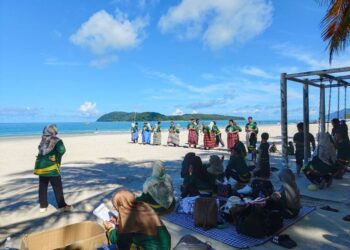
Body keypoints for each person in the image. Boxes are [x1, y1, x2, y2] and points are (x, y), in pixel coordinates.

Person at [104, 190, 171, 250]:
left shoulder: (128, 220)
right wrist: (119, 222)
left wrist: (110, 229)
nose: (116, 210)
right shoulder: (143, 206)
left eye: (116, 208)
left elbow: (120, 242)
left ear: (121, 207)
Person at [34, 124, 71, 212]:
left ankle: (43, 206)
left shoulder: (43, 139)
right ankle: (62, 206)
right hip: (52, 167)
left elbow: (40, 149)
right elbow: (62, 150)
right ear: (53, 131)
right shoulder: (57, 140)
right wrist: (56, 157)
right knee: (57, 186)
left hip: (40, 167)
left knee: (42, 186)